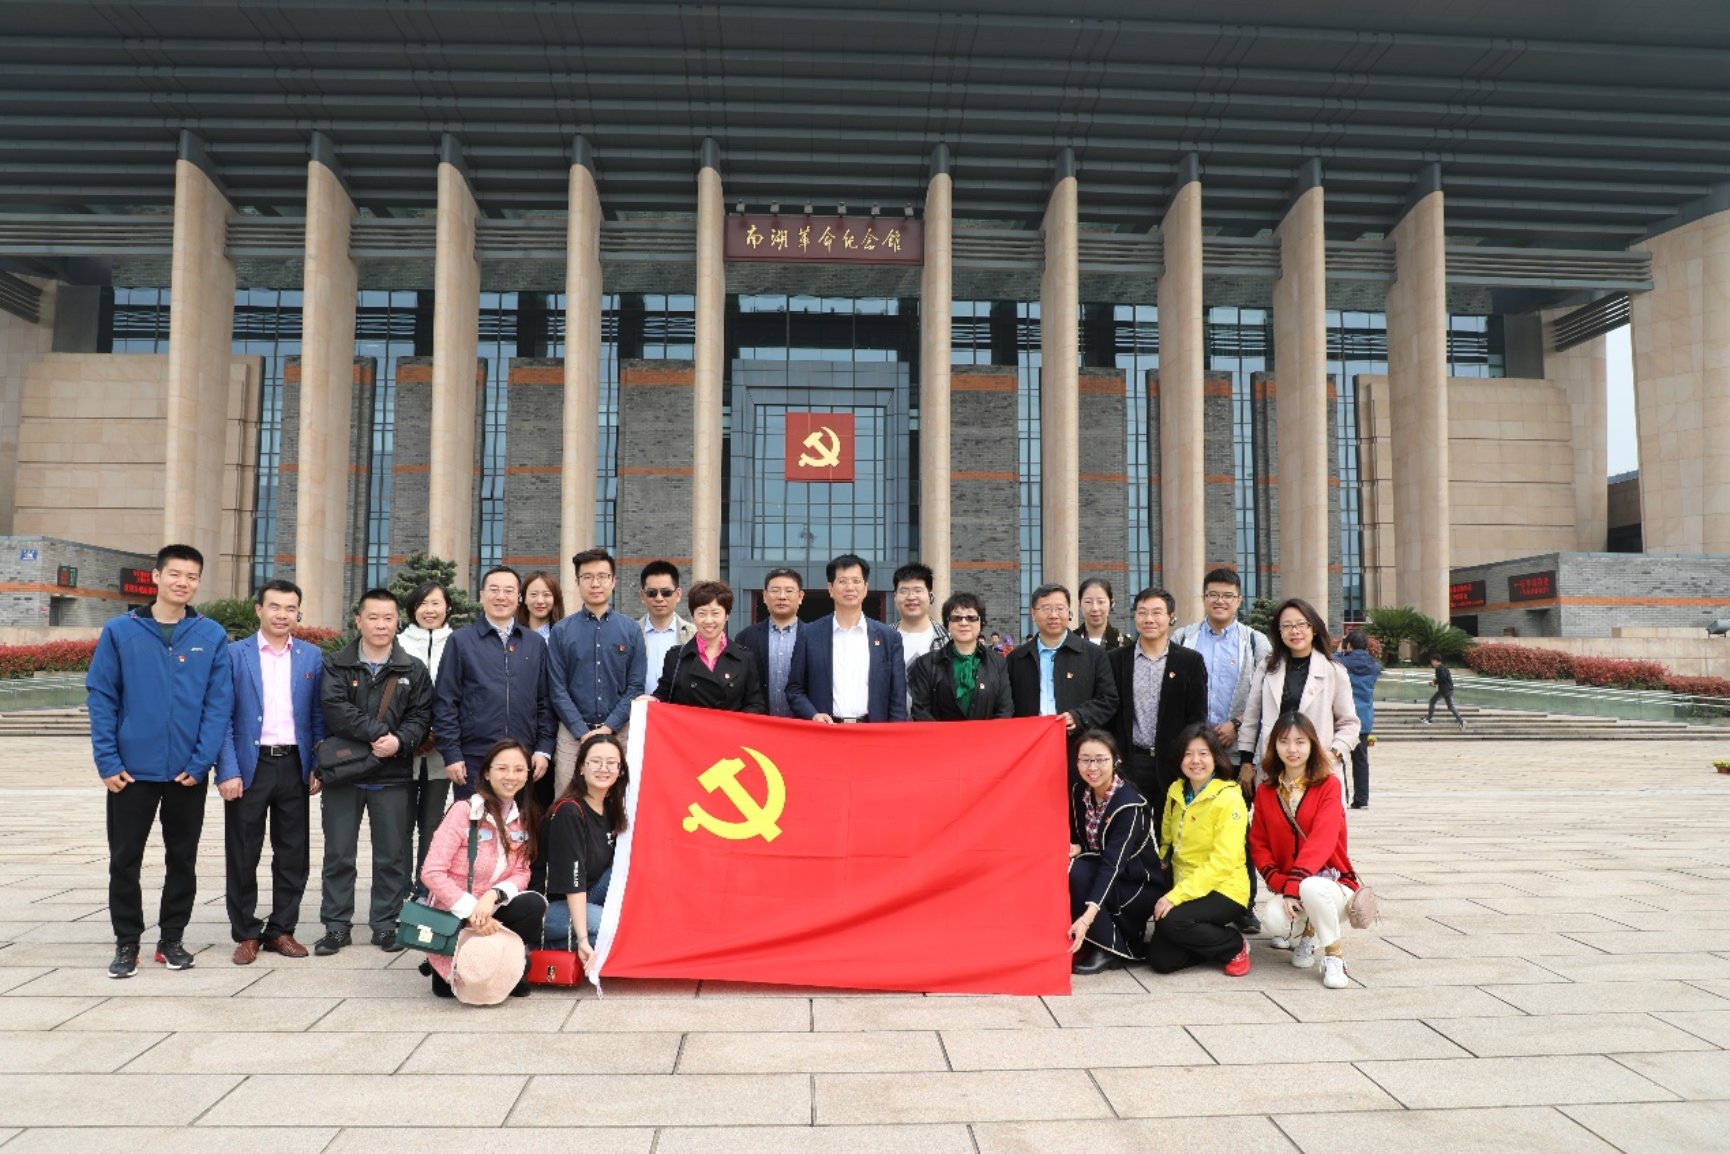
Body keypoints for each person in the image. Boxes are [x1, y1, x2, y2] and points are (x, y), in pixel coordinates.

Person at [87, 543, 234, 978]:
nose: (182, 583)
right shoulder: (121, 631)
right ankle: (126, 942)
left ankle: (171, 939)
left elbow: (218, 704)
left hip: (187, 773)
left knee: (182, 858)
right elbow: (102, 696)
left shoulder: (211, 634)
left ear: (199, 582)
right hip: (131, 772)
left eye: (191, 576)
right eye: (175, 574)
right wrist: (108, 761)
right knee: (124, 859)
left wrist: (202, 761)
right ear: (156, 576)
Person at [316, 587, 435, 956]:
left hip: (393, 775)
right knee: (339, 854)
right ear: (359, 621)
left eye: (388, 618)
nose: (381, 625)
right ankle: (336, 926)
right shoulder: (336, 664)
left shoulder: (413, 668)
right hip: (344, 774)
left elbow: (421, 716)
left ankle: (385, 923)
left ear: (397, 621)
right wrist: (381, 735)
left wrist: (400, 742)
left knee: (391, 855)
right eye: (373, 617)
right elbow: (335, 709)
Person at [217, 578, 327, 965]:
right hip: (251, 766)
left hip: (294, 764)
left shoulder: (312, 656)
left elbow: (318, 716)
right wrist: (227, 769)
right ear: (259, 610)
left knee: (293, 852)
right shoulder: (235, 655)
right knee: (243, 852)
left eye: (290, 608)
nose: (283, 615)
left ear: (299, 613)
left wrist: (317, 764)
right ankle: (246, 932)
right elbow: (222, 716)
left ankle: (282, 929)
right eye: (275, 607)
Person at [1172, 567, 1272, 936]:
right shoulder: (1184, 638)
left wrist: (1237, 724)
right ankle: (1187, 897)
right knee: (1189, 830)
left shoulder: (1255, 642)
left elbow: (1264, 696)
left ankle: (1243, 905)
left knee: (1236, 832)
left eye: (1228, 595)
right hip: (1193, 756)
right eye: (1213, 594)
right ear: (1203, 598)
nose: (1220, 601)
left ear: (1239, 600)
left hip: (1234, 755)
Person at [419, 739, 546, 999]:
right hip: (453, 912)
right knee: (445, 992)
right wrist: (473, 910)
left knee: (533, 904)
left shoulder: (522, 818)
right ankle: (450, 962)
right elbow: (431, 872)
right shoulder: (463, 811)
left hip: (492, 907)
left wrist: (492, 896)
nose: (511, 776)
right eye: (502, 768)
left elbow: (522, 872)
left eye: (519, 770)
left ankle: (502, 963)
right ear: (487, 773)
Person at [1249, 711, 1360, 990]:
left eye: (1300, 742)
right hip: (1293, 888)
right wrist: (1282, 884)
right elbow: (1259, 844)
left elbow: (1322, 840)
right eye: (1284, 741)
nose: (1292, 749)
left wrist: (1294, 885)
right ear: (1274, 745)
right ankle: (1307, 931)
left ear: (1312, 745)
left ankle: (1334, 956)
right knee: (1274, 919)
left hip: (1335, 886)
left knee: (1311, 886)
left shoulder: (1329, 785)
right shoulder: (1266, 791)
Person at [433, 565, 556, 805]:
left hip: (522, 757)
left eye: (509, 591)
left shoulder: (534, 643)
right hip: (474, 758)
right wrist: (452, 754)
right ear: (481, 595)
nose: (501, 597)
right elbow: (445, 702)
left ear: (519, 597)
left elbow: (545, 702)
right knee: (474, 823)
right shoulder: (461, 641)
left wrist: (543, 749)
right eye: (494, 589)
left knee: (520, 825)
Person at [1146, 725, 1252, 976]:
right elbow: (1166, 840)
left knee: (1173, 921)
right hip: (1186, 885)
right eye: (1188, 754)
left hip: (1224, 888)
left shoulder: (1229, 798)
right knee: (1161, 961)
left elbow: (1223, 862)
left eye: (1203, 754)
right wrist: (1162, 865)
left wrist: (1175, 897)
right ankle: (1207, 943)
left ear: (1216, 757)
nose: (1195, 761)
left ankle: (1233, 945)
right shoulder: (1176, 790)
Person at [1236, 597, 1360, 806]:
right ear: (1279, 632)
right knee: (1275, 822)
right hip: (1275, 766)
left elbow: (1350, 723)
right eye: (1286, 626)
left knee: (1317, 821)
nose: (1294, 631)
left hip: (1318, 768)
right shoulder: (1268, 667)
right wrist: (1246, 762)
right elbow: (1251, 718)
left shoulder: (1333, 671)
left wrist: (1333, 753)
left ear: (1314, 628)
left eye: (1301, 624)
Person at [547, 548, 646, 800]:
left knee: (618, 800)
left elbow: (635, 687)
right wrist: (582, 731)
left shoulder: (631, 630)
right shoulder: (561, 631)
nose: (595, 583)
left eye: (602, 576)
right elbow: (557, 688)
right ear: (577, 582)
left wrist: (608, 727)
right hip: (572, 734)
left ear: (613, 581)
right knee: (567, 800)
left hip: (619, 731)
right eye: (587, 577)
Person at [1066, 731, 1162, 975]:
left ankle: (1109, 947)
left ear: (1115, 760)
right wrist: (1080, 848)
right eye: (1085, 760)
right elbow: (1090, 842)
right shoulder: (1080, 791)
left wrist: (1086, 918)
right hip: (1108, 871)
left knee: (1077, 872)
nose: (1092, 767)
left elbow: (1113, 864)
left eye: (1100, 759)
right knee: (1069, 864)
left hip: (1136, 883)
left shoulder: (1130, 805)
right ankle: (1096, 935)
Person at [1107, 587, 1208, 813]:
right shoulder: (1116, 660)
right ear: (1135, 616)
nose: (1149, 619)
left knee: (1170, 827)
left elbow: (1197, 717)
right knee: (1130, 824)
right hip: (1129, 762)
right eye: (1142, 612)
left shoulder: (1189, 661)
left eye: (1156, 612)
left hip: (1173, 763)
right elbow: (1109, 713)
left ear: (1171, 617)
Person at [534, 732, 627, 970]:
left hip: (590, 894)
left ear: (620, 770)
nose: (603, 768)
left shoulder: (610, 807)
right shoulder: (569, 811)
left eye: (611, 763)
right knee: (617, 928)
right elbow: (572, 883)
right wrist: (583, 937)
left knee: (630, 874)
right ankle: (545, 945)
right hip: (552, 906)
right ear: (581, 768)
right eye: (595, 761)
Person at [787, 554, 907, 723]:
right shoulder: (809, 634)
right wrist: (813, 714)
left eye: (856, 581)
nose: (850, 587)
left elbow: (898, 697)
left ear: (865, 588)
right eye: (842, 581)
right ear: (830, 588)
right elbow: (794, 689)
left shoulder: (889, 637)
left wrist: (894, 734)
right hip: (826, 730)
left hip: (872, 730)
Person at [1007, 583, 1119, 750]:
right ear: (1033, 613)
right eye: (1046, 609)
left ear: (1069, 612)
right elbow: (1007, 707)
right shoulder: (1017, 658)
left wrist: (1078, 717)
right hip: (1030, 748)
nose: (1054, 615)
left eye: (1060, 608)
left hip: (1077, 747)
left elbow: (1108, 700)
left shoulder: (1093, 655)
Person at [399, 580, 455, 885]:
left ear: (448, 607)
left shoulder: (458, 643)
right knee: (401, 824)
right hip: (402, 750)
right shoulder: (398, 643)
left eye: (436, 603)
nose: (429, 610)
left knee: (433, 824)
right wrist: (413, 734)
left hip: (442, 751)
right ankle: (399, 890)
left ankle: (426, 888)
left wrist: (437, 732)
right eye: (422, 603)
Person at [651, 580, 768, 713]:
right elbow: (663, 695)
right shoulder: (676, 657)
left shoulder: (745, 657)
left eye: (715, 613)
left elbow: (755, 703)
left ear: (727, 616)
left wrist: (735, 723)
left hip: (728, 726)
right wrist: (651, 700)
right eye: (702, 613)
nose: (708, 620)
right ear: (693, 617)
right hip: (690, 726)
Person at [908, 592, 1013, 720]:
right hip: (940, 733)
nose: (964, 623)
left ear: (981, 622)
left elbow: (1005, 710)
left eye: (971, 617)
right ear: (947, 623)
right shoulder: (926, 664)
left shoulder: (998, 663)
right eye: (956, 617)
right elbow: (920, 711)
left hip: (986, 733)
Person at [735, 567, 804, 717]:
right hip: (759, 724)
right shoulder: (745, 637)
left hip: (803, 724)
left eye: (789, 590)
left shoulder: (814, 636)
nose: (782, 596)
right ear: (765, 596)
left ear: (800, 596)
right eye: (775, 590)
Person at [892, 563, 948, 709]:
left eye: (918, 590)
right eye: (904, 591)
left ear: (930, 596)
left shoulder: (948, 640)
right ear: (895, 597)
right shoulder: (881, 639)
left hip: (935, 721)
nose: (911, 597)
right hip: (891, 721)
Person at [1337, 631, 1382, 808]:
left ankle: (1341, 797)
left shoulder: (1340, 662)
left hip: (1343, 716)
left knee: (1337, 757)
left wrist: (1340, 650)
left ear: (1349, 645)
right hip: (1364, 718)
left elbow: (1329, 659)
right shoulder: (1375, 666)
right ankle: (1362, 800)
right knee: (1361, 760)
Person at [638, 559, 695, 698]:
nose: (659, 598)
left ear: (678, 594)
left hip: (678, 710)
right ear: (642, 596)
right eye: (652, 593)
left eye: (666, 592)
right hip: (639, 709)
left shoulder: (693, 634)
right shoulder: (630, 633)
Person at [1074, 577, 1128, 650]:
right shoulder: (1068, 642)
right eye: (1088, 602)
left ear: (1111, 604)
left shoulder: (1125, 644)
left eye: (1101, 602)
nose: (1095, 608)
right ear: (1079, 605)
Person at [517, 570, 565, 640]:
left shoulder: (564, 635)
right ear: (524, 598)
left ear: (555, 599)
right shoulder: (512, 633)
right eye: (533, 594)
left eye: (546, 594)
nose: (540, 601)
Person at [1423, 652, 1465, 728]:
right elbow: (1443, 677)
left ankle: (1429, 719)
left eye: (1432, 661)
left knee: (1432, 701)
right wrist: (1435, 681)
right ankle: (1461, 721)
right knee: (1450, 706)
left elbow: (1442, 677)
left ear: (1435, 660)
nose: (1432, 663)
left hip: (1444, 690)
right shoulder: (1444, 667)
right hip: (1449, 689)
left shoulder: (1439, 668)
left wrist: (1435, 682)